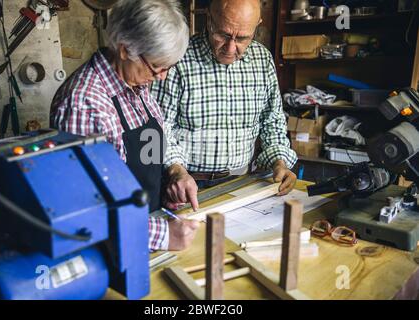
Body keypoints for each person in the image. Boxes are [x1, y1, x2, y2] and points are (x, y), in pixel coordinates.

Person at [50, 0, 199, 251]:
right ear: (124, 49)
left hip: (148, 226)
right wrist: (163, 235)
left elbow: (141, 163)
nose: (162, 76)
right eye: (157, 66)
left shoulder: (137, 84)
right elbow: (85, 208)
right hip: (112, 249)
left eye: (168, 67)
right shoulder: (83, 103)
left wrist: (167, 186)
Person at [152, 0, 298, 211]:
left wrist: (279, 161)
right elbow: (158, 127)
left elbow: (272, 120)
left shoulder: (262, 60)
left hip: (244, 181)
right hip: (188, 185)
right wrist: (176, 172)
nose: (231, 48)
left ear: (257, 25)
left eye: (242, 38)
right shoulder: (178, 58)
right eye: (223, 34)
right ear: (209, 19)